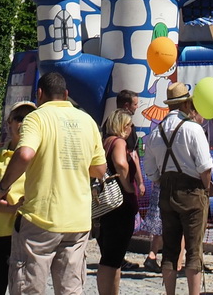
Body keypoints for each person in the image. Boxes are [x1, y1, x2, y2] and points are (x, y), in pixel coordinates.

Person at [0, 69, 107, 295]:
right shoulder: (87, 120)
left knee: (29, 287)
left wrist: (3, 186)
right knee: (71, 289)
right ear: (66, 94)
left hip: (41, 217)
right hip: (78, 219)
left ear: (39, 93)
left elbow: (25, 154)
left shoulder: (37, 117)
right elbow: (99, 169)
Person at [141, 82, 212, 295]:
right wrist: (207, 189)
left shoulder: (155, 133)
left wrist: (162, 181)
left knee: (170, 249)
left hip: (166, 191)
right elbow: (205, 167)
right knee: (193, 249)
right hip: (192, 191)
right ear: (186, 103)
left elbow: (151, 172)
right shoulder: (193, 129)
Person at [0, 101, 36, 295]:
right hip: (0, 232)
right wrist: (12, 209)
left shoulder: (40, 158)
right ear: (9, 122)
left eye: (29, 118)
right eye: (19, 118)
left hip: (30, 234)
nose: (23, 123)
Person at [93, 108, 143, 295]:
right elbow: (121, 164)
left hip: (107, 207)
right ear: (123, 126)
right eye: (129, 125)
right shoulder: (119, 142)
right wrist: (129, 186)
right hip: (119, 204)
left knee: (110, 256)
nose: (131, 128)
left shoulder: (105, 142)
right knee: (112, 258)